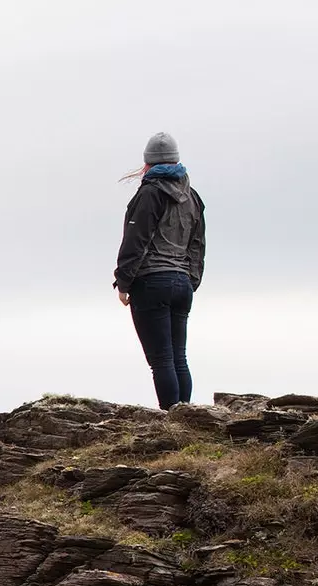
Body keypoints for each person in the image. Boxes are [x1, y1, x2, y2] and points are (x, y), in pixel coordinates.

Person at [114, 132, 206, 410]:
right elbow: (197, 244)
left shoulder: (150, 194)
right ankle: (187, 419)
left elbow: (136, 239)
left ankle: (173, 422)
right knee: (179, 357)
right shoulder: (192, 197)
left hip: (151, 283)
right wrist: (190, 280)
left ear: (148, 164)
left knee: (161, 360)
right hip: (182, 284)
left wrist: (124, 282)